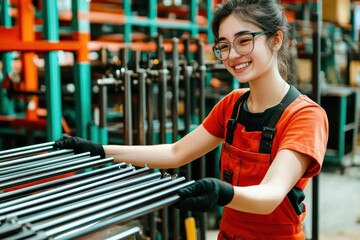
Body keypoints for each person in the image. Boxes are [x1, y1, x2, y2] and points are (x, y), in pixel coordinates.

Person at [54, 0, 329, 239]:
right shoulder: (232, 105)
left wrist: (220, 192)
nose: (233, 55)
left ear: (275, 39)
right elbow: (176, 152)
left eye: (244, 41)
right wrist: (100, 151)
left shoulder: (304, 116)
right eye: (224, 46)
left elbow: (270, 195)